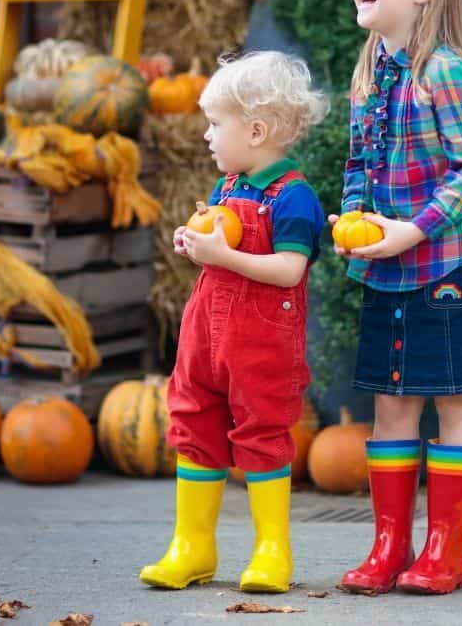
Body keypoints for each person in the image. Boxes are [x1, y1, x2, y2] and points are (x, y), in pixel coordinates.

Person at [335, 0, 462, 596]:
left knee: (457, 397)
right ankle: (389, 544)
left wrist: (413, 228)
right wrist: (354, 215)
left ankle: (447, 548)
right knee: (391, 402)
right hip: (387, 266)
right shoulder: (369, 75)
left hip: (448, 265)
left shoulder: (447, 72)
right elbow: (359, 163)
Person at [140, 51, 329, 594]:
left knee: (262, 433)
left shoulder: (292, 198)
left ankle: (272, 551)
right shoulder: (229, 187)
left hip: (261, 342)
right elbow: (222, 248)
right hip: (206, 336)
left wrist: (223, 257)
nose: (205, 136)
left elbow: (289, 270)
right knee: (195, 421)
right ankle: (192, 546)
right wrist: (198, 247)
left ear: (256, 129)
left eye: (215, 124)